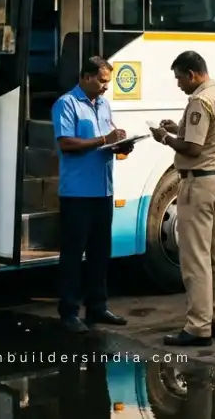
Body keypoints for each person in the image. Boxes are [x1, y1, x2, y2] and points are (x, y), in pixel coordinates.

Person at [150, 51, 215, 348]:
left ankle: (198, 326)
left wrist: (165, 138)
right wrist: (178, 128)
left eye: (179, 78)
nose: (179, 85)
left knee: (195, 259)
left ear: (193, 74)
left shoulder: (199, 100)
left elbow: (193, 149)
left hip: (199, 184)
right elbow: (207, 136)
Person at [53, 56, 135, 333]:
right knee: (74, 254)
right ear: (86, 77)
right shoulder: (67, 104)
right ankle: (69, 312)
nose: (105, 87)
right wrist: (103, 140)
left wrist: (121, 145)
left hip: (103, 189)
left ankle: (97, 307)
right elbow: (66, 143)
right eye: (101, 81)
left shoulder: (103, 104)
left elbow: (107, 140)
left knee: (101, 253)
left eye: (107, 82)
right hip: (77, 193)